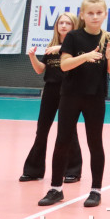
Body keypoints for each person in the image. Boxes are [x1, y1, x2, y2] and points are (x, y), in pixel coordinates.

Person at [38, 0, 110, 208]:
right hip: (71, 96)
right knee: (62, 140)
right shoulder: (73, 37)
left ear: (105, 15)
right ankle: (56, 189)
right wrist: (86, 56)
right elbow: (64, 65)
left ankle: (96, 190)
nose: (94, 16)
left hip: (95, 98)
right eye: (90, 13)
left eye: (99, 13)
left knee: (95, 143)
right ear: (82, 15)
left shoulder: (107, 38)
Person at [20, 11, 83, 184]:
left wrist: (61, 49)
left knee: (69, 131)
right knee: (41, 130)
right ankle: (34, 170)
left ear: (74, 26)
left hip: (68, 92)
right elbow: (41, 69)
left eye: (67, 23)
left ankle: (73, 171)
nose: (63, 25)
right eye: (61, 23)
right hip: (50, 91)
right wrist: (32, 57)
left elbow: (81, 62)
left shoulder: (77, 46)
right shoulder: (51, 45)